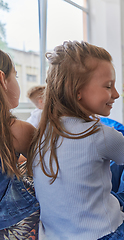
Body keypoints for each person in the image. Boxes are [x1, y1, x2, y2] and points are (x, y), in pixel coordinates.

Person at [27, 41, 124, 240]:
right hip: (110, 235)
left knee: (116, 165)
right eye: (108, 86)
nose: (116, 94)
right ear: (77, 91)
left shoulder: (42, 132)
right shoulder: (99, 134)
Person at [0, 49, 40, 238]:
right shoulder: (18, 130)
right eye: (15, 75)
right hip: (9, 225)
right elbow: (49, 172)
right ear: (2, 79)